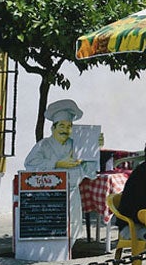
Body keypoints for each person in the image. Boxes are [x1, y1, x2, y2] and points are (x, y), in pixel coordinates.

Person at [24, 99, 99, 246]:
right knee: (51, 229)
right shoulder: (43, 145)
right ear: (53, 128)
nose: (65, 129)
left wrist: (94, 148)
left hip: (72, 194)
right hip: (49, 195)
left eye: (69, 126)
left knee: (71, 228)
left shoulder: (76, 145)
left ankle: (68, 252)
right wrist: (57, 163)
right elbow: (30, 164)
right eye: (62, 126)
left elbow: (89, 171)